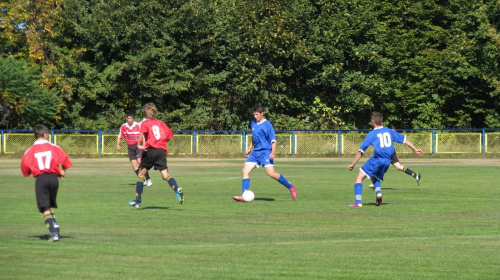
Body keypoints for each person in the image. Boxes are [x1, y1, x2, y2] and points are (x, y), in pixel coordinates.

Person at [348, 112, 423, 207]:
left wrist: (353, 164)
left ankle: (358, 202)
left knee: (358, 178)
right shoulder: (389, 131)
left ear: (373, 121)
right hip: (387, 161)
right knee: (374, 176)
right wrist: (415, 149)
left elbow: (361, 151)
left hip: (377, 159)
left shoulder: (372, 134)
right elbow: (405, 140)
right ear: (381, 121)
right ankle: (378, 193)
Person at [233, 105, 297, 201]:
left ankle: (291, 186)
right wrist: (250, 148)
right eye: (254, 114)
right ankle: (244, 195)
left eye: (257, 114)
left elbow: (273, 141)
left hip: (265, 152)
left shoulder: (268, 125)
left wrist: (273, 152)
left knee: (271, 173)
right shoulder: (253, 123)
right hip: (255, 153)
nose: (255, 116)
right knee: (245, 171)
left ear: (262, 113)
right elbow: (254, 137)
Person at [21, 124, 73, 242]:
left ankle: (54, 233)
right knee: (49, 205)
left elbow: (25, 168)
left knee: (45, 208)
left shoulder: (30, 150)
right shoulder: (53, 146)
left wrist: (30, 171)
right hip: (53, 178)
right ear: (45, 134)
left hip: (41, 179)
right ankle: (54, 223)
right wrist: (63, 171)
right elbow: (65, 159)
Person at [128, 103, 184, 208]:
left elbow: (141, 134)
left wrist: (138, 145)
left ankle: (138, 201)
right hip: (161, 151)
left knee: (140, 175)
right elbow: (169, 135)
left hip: (150, 151)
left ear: (144, 113)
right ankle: (177, 189)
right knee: (165, 175)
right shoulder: (161, 123)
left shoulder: (145, 123)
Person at [116, 112, 152, 186]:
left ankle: (148, 179)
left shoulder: (138, 125)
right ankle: (142, 180)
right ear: (127, 118)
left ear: (133, 119)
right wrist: (118, 144)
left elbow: (143, 135)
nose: (130, 120)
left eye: (131, 118)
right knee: (133, 164)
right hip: (130, 146)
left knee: (140, 161)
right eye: (129, 118)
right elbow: (120, 136)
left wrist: (144, 144)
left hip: (138, 145)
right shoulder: (123, 126)